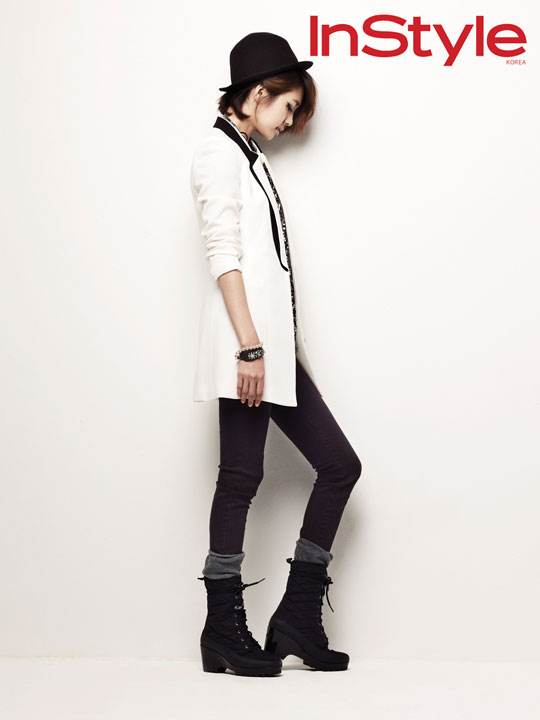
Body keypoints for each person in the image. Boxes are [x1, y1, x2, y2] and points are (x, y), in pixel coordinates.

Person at [190, 32, 362, 677]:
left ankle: (296, 615)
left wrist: (274, 350)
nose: (290, 122)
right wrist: (250, 346)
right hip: (250, 352)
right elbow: (224, 255)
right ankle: (222, 629)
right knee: (241, 479)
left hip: (276, 356)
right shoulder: (217, 153)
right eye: (288, 107)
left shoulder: (251, 156)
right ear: (259, 92)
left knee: (339, 466)